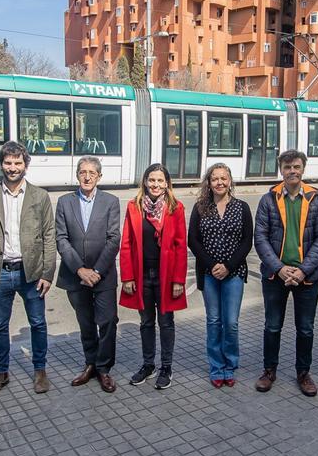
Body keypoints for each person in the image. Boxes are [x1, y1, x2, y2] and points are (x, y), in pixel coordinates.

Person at [0, 141, 57, 397]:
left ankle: (40, 370)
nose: (12, 168)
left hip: (30, 272)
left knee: (38, 323)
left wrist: (47, 273)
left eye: (17, 163)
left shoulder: (40, 197)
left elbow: (49, 236)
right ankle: (1, 373)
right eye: (8, 163)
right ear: (1, 164)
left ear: (26, 165)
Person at [253, 149, 318, 396]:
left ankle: (303, 373)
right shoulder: (269, 199)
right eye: (287, 167)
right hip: (276, 276)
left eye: (296, 166)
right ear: (281, 170)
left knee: (305, 328)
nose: (292, 171)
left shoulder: (316, 199)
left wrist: (303, 270)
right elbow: (261, 237)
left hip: (307, 278)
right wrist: (280, 267)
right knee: (272, 326)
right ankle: (269, 371)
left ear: (303, 169)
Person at [55, 156, 121, 393]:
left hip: (103, 275)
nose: (87, 176)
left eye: (92, 173)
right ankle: (90, 364)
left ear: (99, 177)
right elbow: (61, 239)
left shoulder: (111, 201)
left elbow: (114, 239)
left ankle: (104, 368)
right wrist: (80, 269)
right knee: (85, 323)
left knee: (108, 321)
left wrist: (96, 271)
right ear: (77, 175)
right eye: (83, 172)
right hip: (75, 275)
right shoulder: (64, 202)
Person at [121, 163, 188, 390]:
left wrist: (179, 280)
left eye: (160, 180)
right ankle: (148, 365)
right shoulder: (134, 207)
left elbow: (180, 246)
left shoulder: (175, 208)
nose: (156, 185)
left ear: (167, 184)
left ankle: (166, 367)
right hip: (142, 276)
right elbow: (127, 244)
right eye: (152, 180)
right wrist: (127, 277)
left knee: (166, 322)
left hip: (166, 276)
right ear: (145, 182)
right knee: (146, 322)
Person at [188, 163, 252, 388]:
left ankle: (230, 365)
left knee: (231, 322)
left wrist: (228, 265)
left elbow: (247, 241)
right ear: (209, 182)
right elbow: (193, 240)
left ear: (230, 180)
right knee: (214, 321)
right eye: (215, 179)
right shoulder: (200, 208)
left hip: (234, 273)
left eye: (223, 178)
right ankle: (216, 367)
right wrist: (213, 264)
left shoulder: (242, 207)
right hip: (209, 273)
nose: (219, 182)